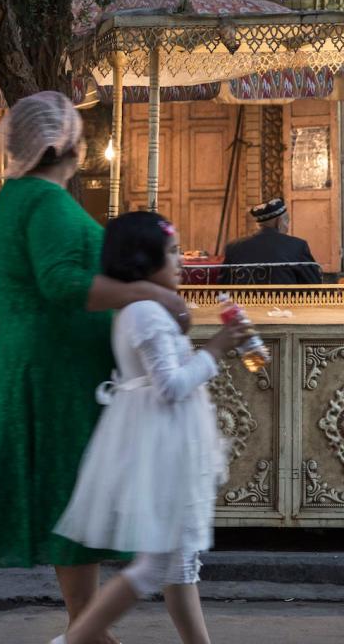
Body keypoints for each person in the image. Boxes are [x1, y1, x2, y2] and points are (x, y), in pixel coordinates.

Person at [0, 91, 193, 644]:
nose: (85, 141)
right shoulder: (48, 203)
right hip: (58, 374)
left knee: (46, 491)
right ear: (58, 145)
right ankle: (77, 627)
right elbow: (61, 282)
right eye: (78, 132)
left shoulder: (19, 196)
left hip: (44, 364)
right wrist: (149, 291)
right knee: (70, 492)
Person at [48, 212, 249, 644]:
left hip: (170, 441)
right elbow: (171, 386)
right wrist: (216, 350)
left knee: (179, 567)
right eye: (172, 253)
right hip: (162, 448)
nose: (181, 262)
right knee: (156, 566)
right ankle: (74, 640)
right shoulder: (143, 313)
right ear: (142, 260)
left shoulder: (147, 310)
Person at [220, 198, 321, 284]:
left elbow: (223, 286)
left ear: (259, 224)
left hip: (245, 306)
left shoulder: (233, 247)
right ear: (279, 222)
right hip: (285, 306)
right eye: (287, 221)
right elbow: (314, 285)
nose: (287, 226)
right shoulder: (298, 246)